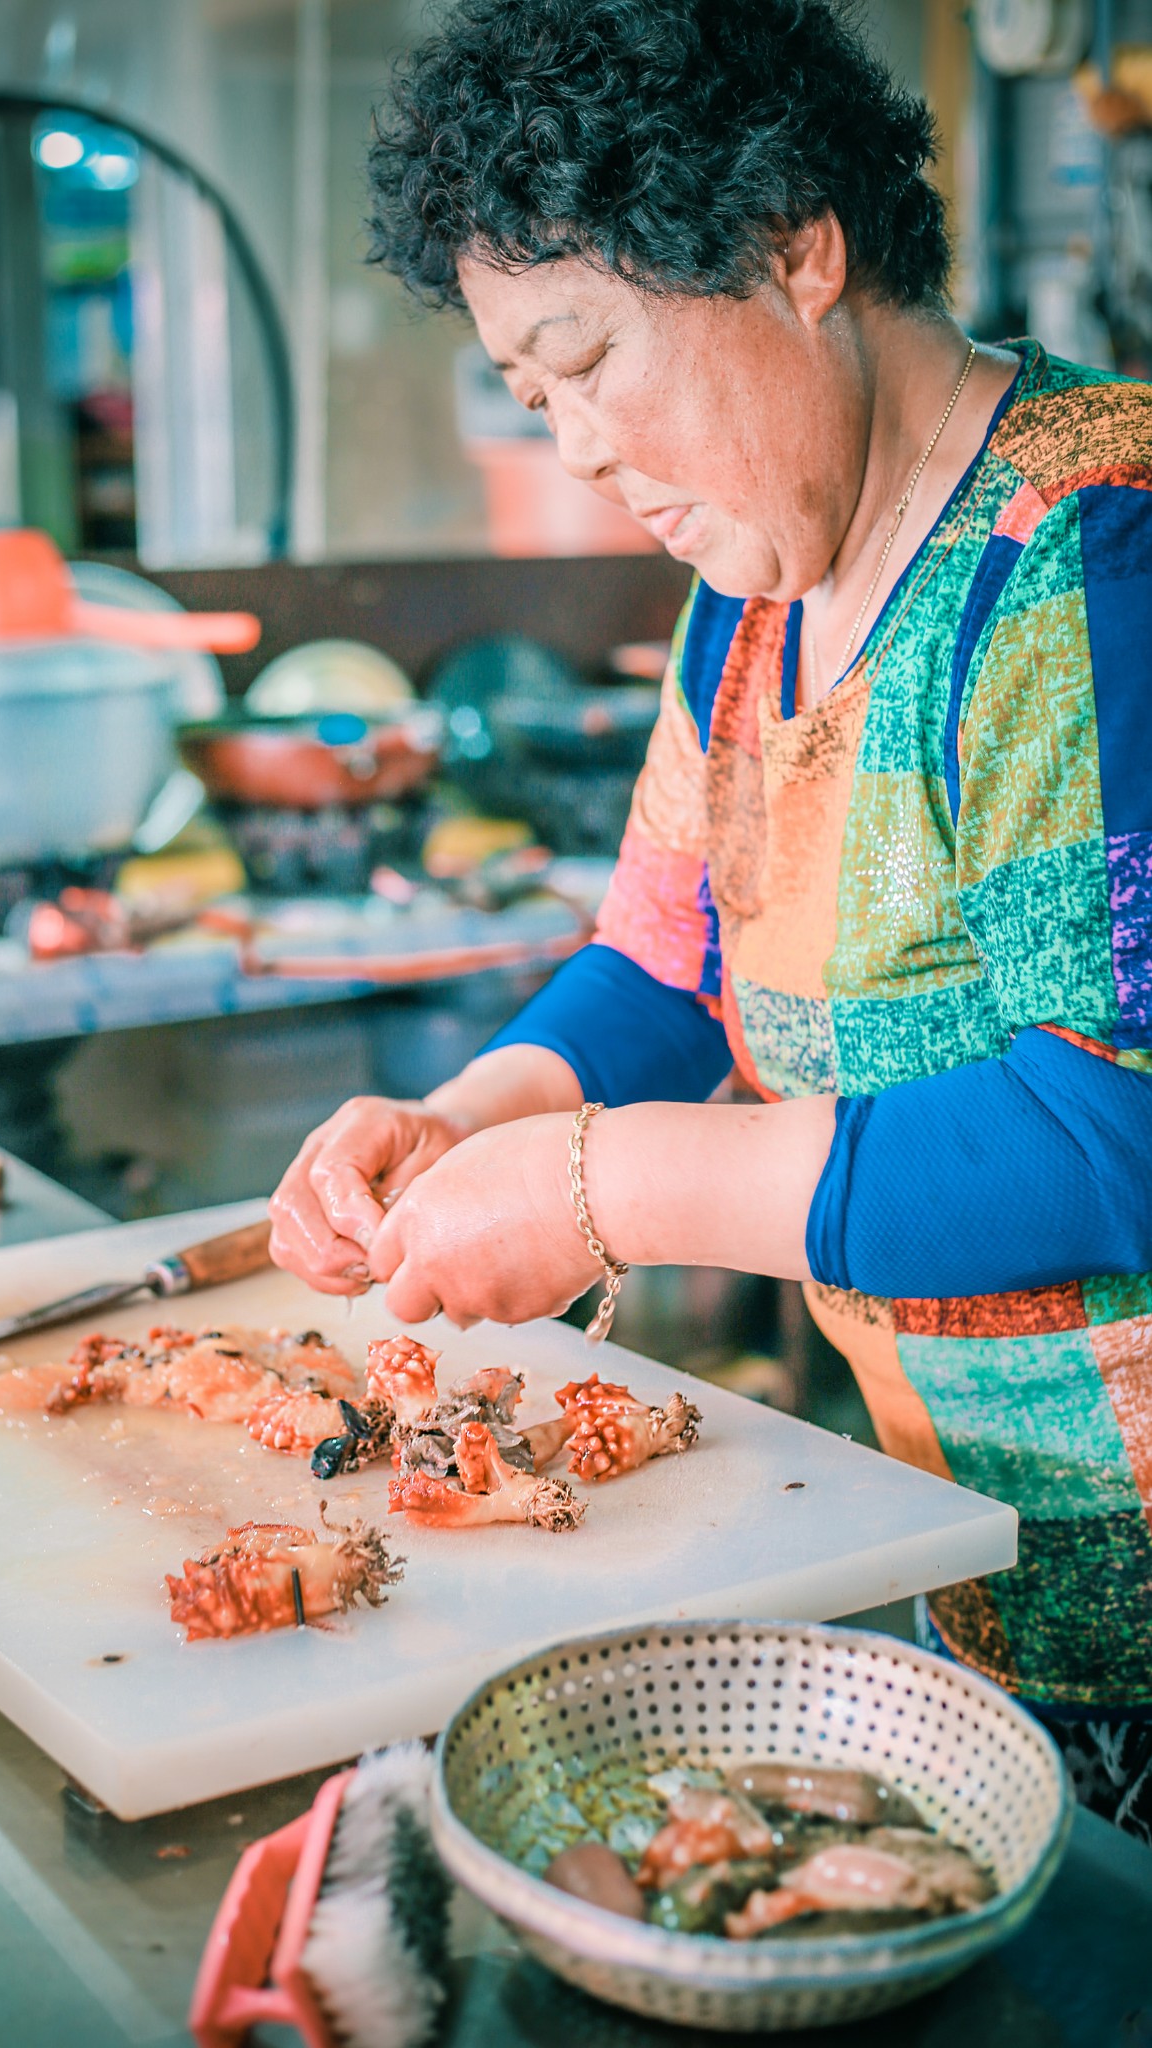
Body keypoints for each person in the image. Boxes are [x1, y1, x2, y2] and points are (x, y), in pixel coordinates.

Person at [269, 0, 1152, 1838]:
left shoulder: (1092, 556)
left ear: (793, 251)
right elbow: (661, 966)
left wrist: (603, 1192)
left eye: (591, 357)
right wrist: (488, 1111)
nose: (580, 447)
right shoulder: (754, 587)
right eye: (532, 397)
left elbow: (1114, 1127)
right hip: (985, 1569)